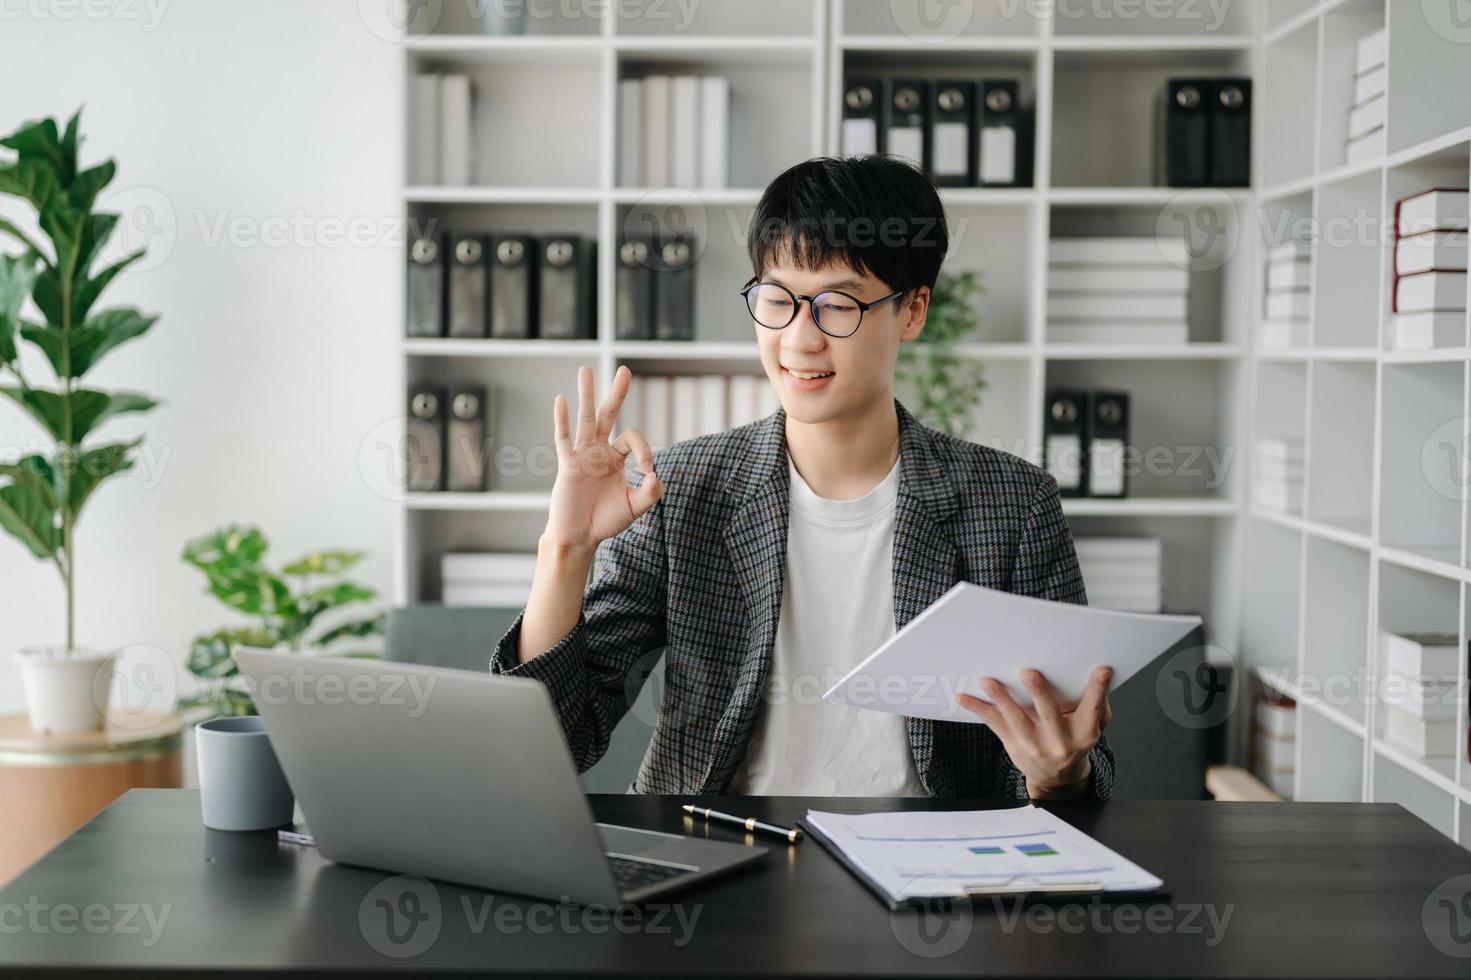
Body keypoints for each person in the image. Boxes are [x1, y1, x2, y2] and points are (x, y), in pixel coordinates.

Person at [491, 154, 1113, 799]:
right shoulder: (679, 491)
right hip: (720, 858)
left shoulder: (1012, 507)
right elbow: (555, 741)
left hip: (932, 869)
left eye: (837, 305)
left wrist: (1057, 777)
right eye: (778, 300)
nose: (799, 339)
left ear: (913, 311)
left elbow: (1078, 767)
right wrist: (566, 549)